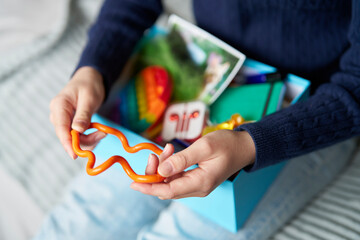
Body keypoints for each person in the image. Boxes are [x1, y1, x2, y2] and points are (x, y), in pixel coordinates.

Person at [44, 0, 360, 238]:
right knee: (78, 223)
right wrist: (92, 67)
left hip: (314, 111)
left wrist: (252, 144)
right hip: (197, 75)